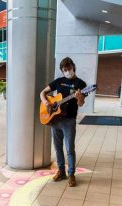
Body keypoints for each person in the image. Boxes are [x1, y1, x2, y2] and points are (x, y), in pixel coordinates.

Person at [40, 57, 87, 187]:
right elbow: (42, 93)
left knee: (69, 149)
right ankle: (61, 171)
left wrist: (79, 98)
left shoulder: (80, 84)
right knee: (57, 147)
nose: (67, 71)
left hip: (69, 120)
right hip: (55, 119)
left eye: (69, 69)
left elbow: (81, 104)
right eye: (65, 70)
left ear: (73, 67)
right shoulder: (59, 81)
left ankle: (71, 174)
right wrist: (46, 102)